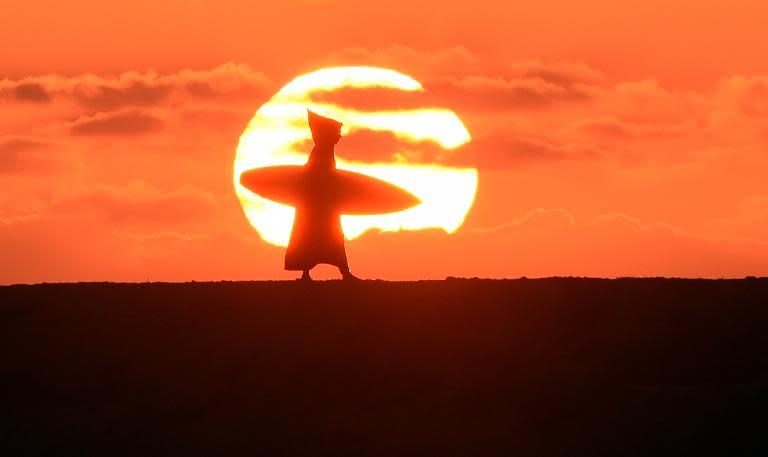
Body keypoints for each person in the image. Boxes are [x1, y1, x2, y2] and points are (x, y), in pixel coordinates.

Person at [284, 110, 357, 281]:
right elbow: (316, 180)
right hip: (319, 209)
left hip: (321, 208)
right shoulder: (321, 153)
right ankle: (338, 273)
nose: (339, 137)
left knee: (319, 237)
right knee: (320, 237)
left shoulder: (323, 151)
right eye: (337, 134)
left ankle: (313, 273)